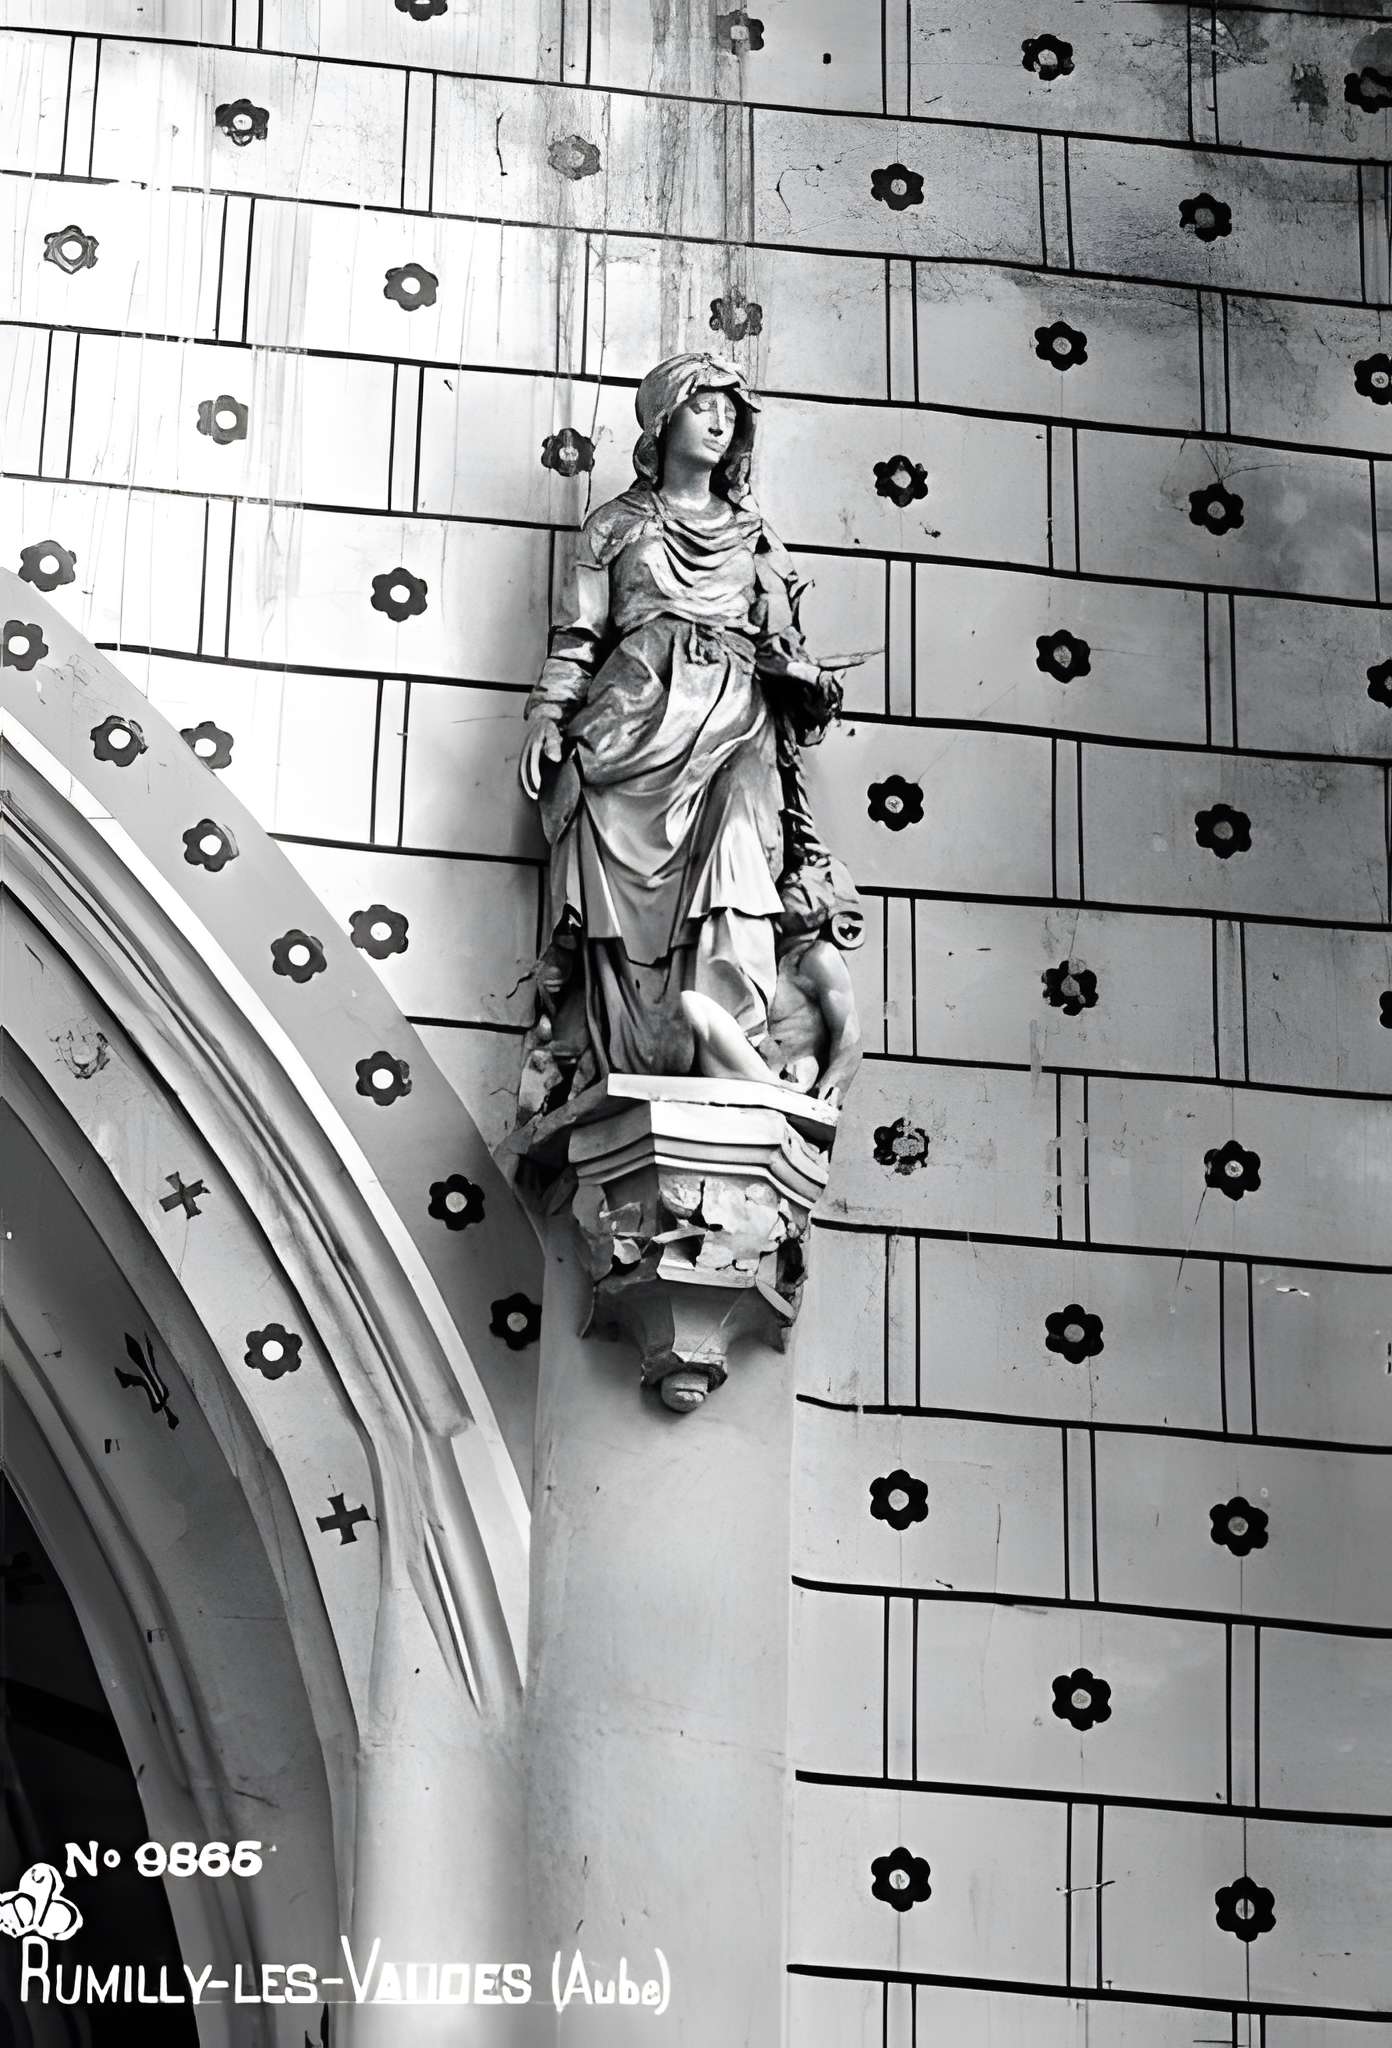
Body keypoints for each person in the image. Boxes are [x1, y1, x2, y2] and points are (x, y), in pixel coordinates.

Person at [516, 351, 858, 1120]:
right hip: (632, 719)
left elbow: (791, 649)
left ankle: (731, 1045)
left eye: (731, 413)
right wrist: (548, 710)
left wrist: (805, 680)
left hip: (736, 718)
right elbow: (579, 635)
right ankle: (637, 1049)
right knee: (610, 863)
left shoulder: (754, 536)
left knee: (740, 842)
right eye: (704, 406)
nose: (719, 421)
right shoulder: (615, 526)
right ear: (665, 417)